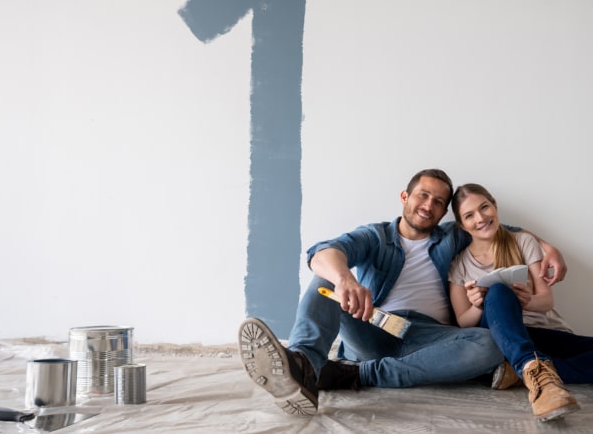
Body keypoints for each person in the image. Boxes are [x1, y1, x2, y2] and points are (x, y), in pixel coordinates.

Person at [238, 169, 568, 417]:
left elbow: (496, 226)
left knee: (493, 343)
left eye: (439, 202)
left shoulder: (451, 237)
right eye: (423, 195)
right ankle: (304, 366)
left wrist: (545, 245)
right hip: (375, 328)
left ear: (444, 213)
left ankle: (350, 374)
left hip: (430, 337)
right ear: (405, 197)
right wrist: (345, 280)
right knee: (324, 284)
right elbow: (323, 252)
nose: (429, 205)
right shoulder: (375, 236)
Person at [448, 183, 593, 422]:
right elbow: (463, 323)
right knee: (497, 292)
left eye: (484, 207)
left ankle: (520, 372)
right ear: (461, 225)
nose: (481, 217)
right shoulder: (459, 265)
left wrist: (527, 300)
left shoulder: (523, 241)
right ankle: (532, 369)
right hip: (502, 339)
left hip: (545, 334)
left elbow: (546, 301)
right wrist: (477, 305)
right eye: (469, 215)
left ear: (494, 206)